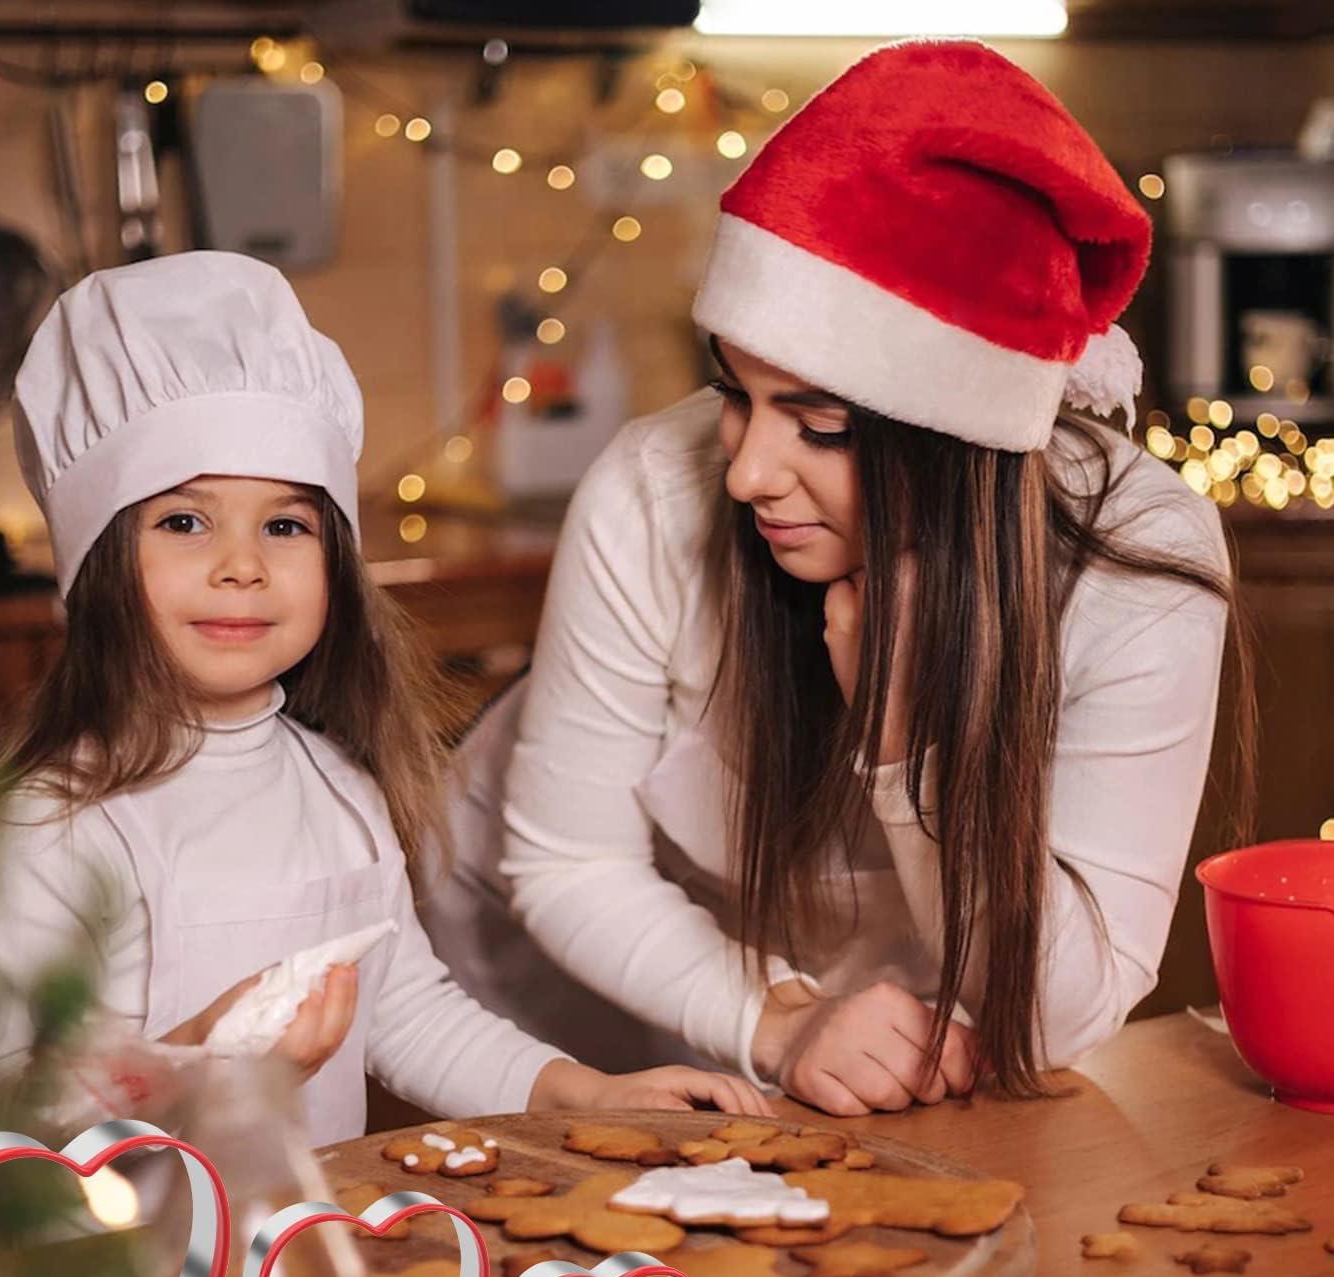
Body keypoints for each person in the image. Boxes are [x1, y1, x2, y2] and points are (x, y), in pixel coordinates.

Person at [419, 39, 1253, 1118]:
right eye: (735, 393)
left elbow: (1059, 1007)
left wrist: (904, 742)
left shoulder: (1135, 560)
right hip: (568, 975)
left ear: (959, 442)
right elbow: (567, 860)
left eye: (819, 426)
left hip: (886, 1020)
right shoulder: (649, 492)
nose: (748, 471)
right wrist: (780, 1022)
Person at [0, 251, 767, 1147]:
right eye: (184, 522)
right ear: (101, 561)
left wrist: (582, 1095)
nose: (243, 565)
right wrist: (198, 1057)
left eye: (285, 525)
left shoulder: (339, 787)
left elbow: (403, 1013)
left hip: (306, 1254)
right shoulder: (63, 821)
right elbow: (17, 1094)